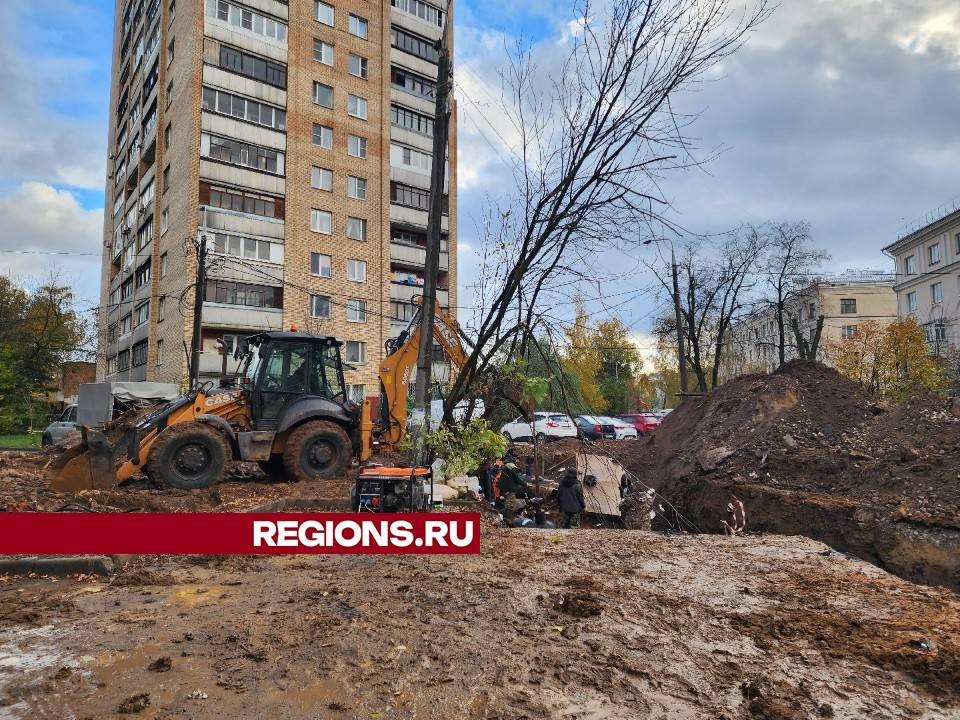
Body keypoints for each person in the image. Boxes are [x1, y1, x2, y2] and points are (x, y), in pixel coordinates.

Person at [497, 454, 527, 524]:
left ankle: (506, 519)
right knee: (510, 505)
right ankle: (508, 521)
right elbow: (516, 477)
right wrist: (524, 483)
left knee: (507, 503)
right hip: (510, 488)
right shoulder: (511, 465)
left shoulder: (506, 465)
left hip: (505, 488)